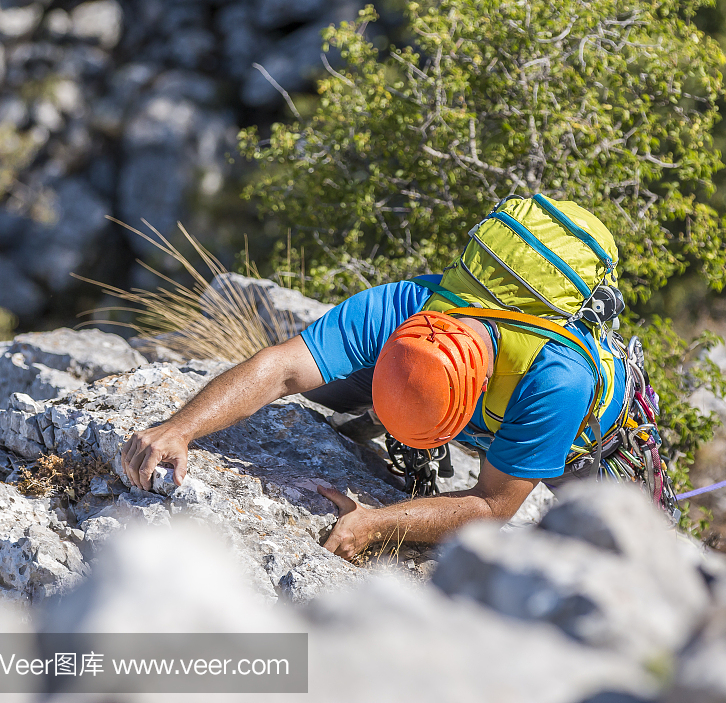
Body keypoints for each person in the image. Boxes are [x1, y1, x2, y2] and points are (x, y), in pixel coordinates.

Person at [121, 197, 632, 560]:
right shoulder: (406, 307)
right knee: (322, 388)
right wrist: (180, 428)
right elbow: (281, 368)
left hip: (581, 442)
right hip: (442, 379)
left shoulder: (557, 382)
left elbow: (494, 503)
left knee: (616, 547)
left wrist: (379, 524)